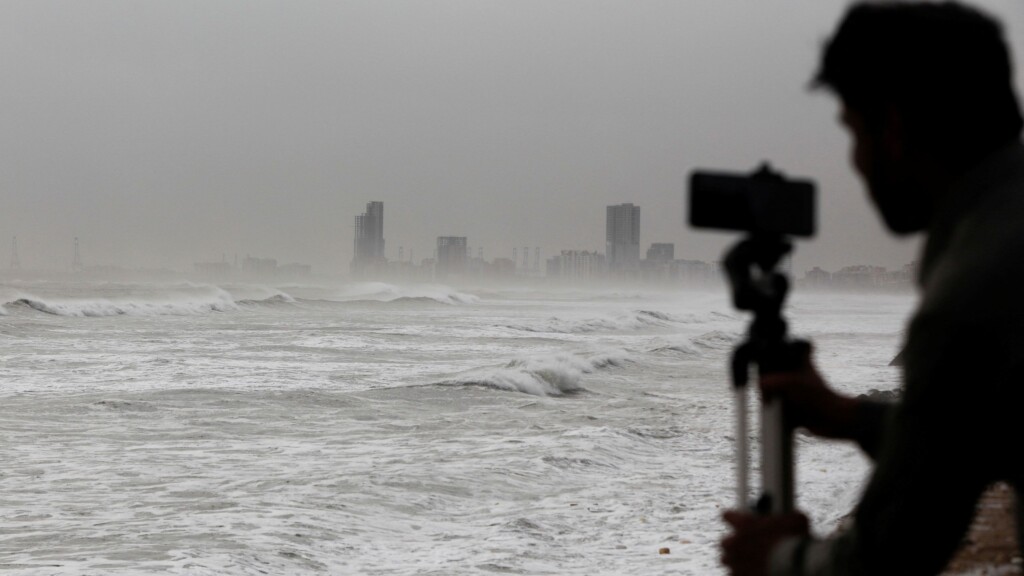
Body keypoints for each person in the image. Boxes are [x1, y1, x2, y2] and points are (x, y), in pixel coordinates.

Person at [720, 2, 1024, 575]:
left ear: (893, 130)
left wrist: (778, 558)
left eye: (854, 132)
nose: (855, 162)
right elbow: (973, 440)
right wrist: (849, 416)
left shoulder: (974, 294)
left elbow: (893, 554)